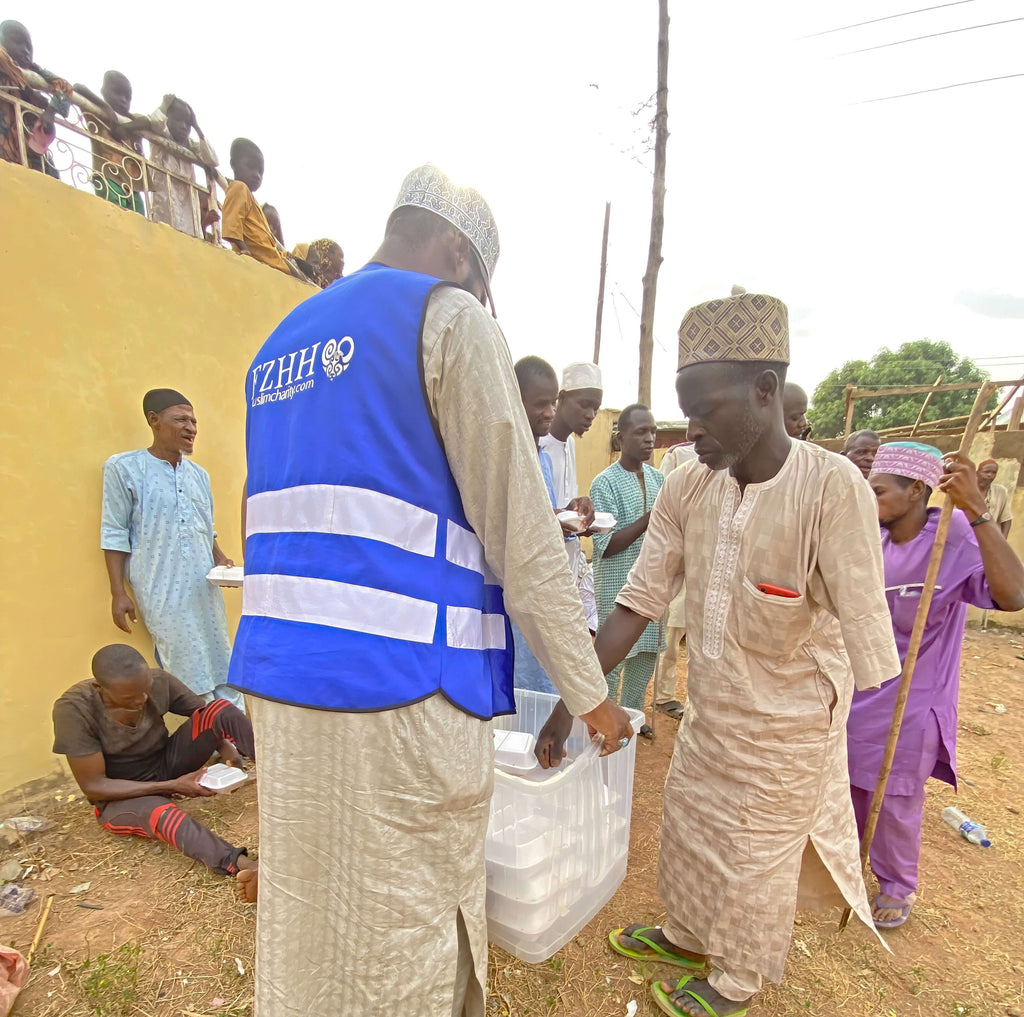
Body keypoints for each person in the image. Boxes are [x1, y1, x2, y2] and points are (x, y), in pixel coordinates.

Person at [227, 164, 632, 1017]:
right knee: (408, 919)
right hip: (403, 692)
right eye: (485, 285)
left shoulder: (281, 342)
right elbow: (523, 533)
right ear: (459, 251)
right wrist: (592, 696)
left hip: (284, 686)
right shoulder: (447, 321)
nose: (484, 303)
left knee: (312, 902)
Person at [538, 287, 900, 1017]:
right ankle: (685, 932)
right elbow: (637, 600)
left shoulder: (832, 490)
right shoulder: (687, 485)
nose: (691, 425)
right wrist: (573, 698)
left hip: (789, 730)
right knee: (693, 825)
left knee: (752, 860)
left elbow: (868, 642)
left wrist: (836, 750)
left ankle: (733, 980)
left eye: (707, 407)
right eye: (686, 406)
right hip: (712, 711)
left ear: (764, 392)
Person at [847, 442, 1024, 928]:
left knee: (897, 794)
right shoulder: (870, 539)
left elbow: (1013, 595)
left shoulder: (953, 535)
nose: (870, 497)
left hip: (913, 697)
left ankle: (896, 884)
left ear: (916, 491)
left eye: (879, 491)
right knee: (848, 784)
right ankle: (845, 863)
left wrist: (978, 509)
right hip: (859, 688)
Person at [52, 644, 259, 899]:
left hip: (165, 764)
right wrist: (172, 786)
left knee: (219, 709)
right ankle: (246, 867)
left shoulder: (158, 681)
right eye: (130, 698)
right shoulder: (74, 710)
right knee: (162, 813)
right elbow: (94, 785)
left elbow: (204, 715)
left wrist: (227, 748)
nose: (142, 700)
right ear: (99, 689)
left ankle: (283, 776)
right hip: (121, 796)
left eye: (145, 691)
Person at [101, 389, 239, 708]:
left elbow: (205, 525)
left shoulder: (199, 475)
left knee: (221, 655)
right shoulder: (124, 468)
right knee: (183, 660)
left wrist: (221, 558)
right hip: (159, 586)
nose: (191, 427)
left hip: (204, 585)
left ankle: (235, 730)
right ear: (154, 421)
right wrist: (118, 592)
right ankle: (210, 736)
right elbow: (114, 532)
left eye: (193, 420)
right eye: (181, 419)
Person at [590, 404, 664, 715]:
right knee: (610, 664)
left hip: (652, 588)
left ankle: (630, 724)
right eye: (641, 432)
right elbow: (605, 545)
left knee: (644, 662)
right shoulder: (604, 483)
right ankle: (600, 727)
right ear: (622, 438)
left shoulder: (660, 480)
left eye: (652, 432)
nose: (649, 439)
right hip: (615, 589)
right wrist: (651, 517)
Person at [509, 355, 566, 695]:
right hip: (517, 594)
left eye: (553, 403)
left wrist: (567, 514)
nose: (550, 412)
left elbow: (542, 515)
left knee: (545, 680)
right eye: (540, 404)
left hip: (544, 588)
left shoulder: (541, 457)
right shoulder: (511, 457)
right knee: (520, 684)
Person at [539, 362, 603, 632]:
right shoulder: (537, 443)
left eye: (596, 409)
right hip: (541, 572)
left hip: (567, 568)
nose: (590, 415)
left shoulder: (571, 445)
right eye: (584, 404)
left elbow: (565, 503)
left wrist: (581, 513)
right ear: (561, 399)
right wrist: (558, 518)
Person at [653, 441, 697, 720]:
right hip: (683, 559)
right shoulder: (679, 455)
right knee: (672, 637)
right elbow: (664, 505)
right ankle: (664, 695)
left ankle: (697, 702)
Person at [222, 139, 304, 278]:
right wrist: (244, 249)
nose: (256, 175)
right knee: (304, 282)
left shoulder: (251, 199)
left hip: (273, 260)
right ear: (234, 164)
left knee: (304, 275)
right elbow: (232, 223)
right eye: (251, 167)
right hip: (266, 261)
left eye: (261, 171)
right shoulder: (238, 187)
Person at [0, 20, 71, 176]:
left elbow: (66, 90)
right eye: (18, 42)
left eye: (28, 46)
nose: (25, 50)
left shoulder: (35, 76)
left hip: (30, 157)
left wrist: (50, 113)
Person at [74, 71, 150, 213]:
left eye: (128, 97)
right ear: (104, 91)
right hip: (107, 178)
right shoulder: (97, 113)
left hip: (132, 187)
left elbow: (149, 122)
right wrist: (106, 107)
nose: (123, 100)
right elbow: (78, 87)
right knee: (113, 215)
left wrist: (125, 128)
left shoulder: (132, 120)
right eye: (117, 93)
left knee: (140, 225)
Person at [146, 94, 218, 238]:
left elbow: (213, 159)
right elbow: (154, 122)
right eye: (178, 120)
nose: (184, 126)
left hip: (188, 220)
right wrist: (164, 106)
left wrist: (197, 127)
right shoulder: (160, 137)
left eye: (188, 123)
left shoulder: (191, 146)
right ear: (168, 118)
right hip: (164, 212)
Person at [977, 458, 1013, 537]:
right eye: (986, 472)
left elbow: (1006, 518)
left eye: (994, 473)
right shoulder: (967, 490)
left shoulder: (1000, 492)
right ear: (977, 473)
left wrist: (1003, 540)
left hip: (990, 538)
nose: (990, 475)